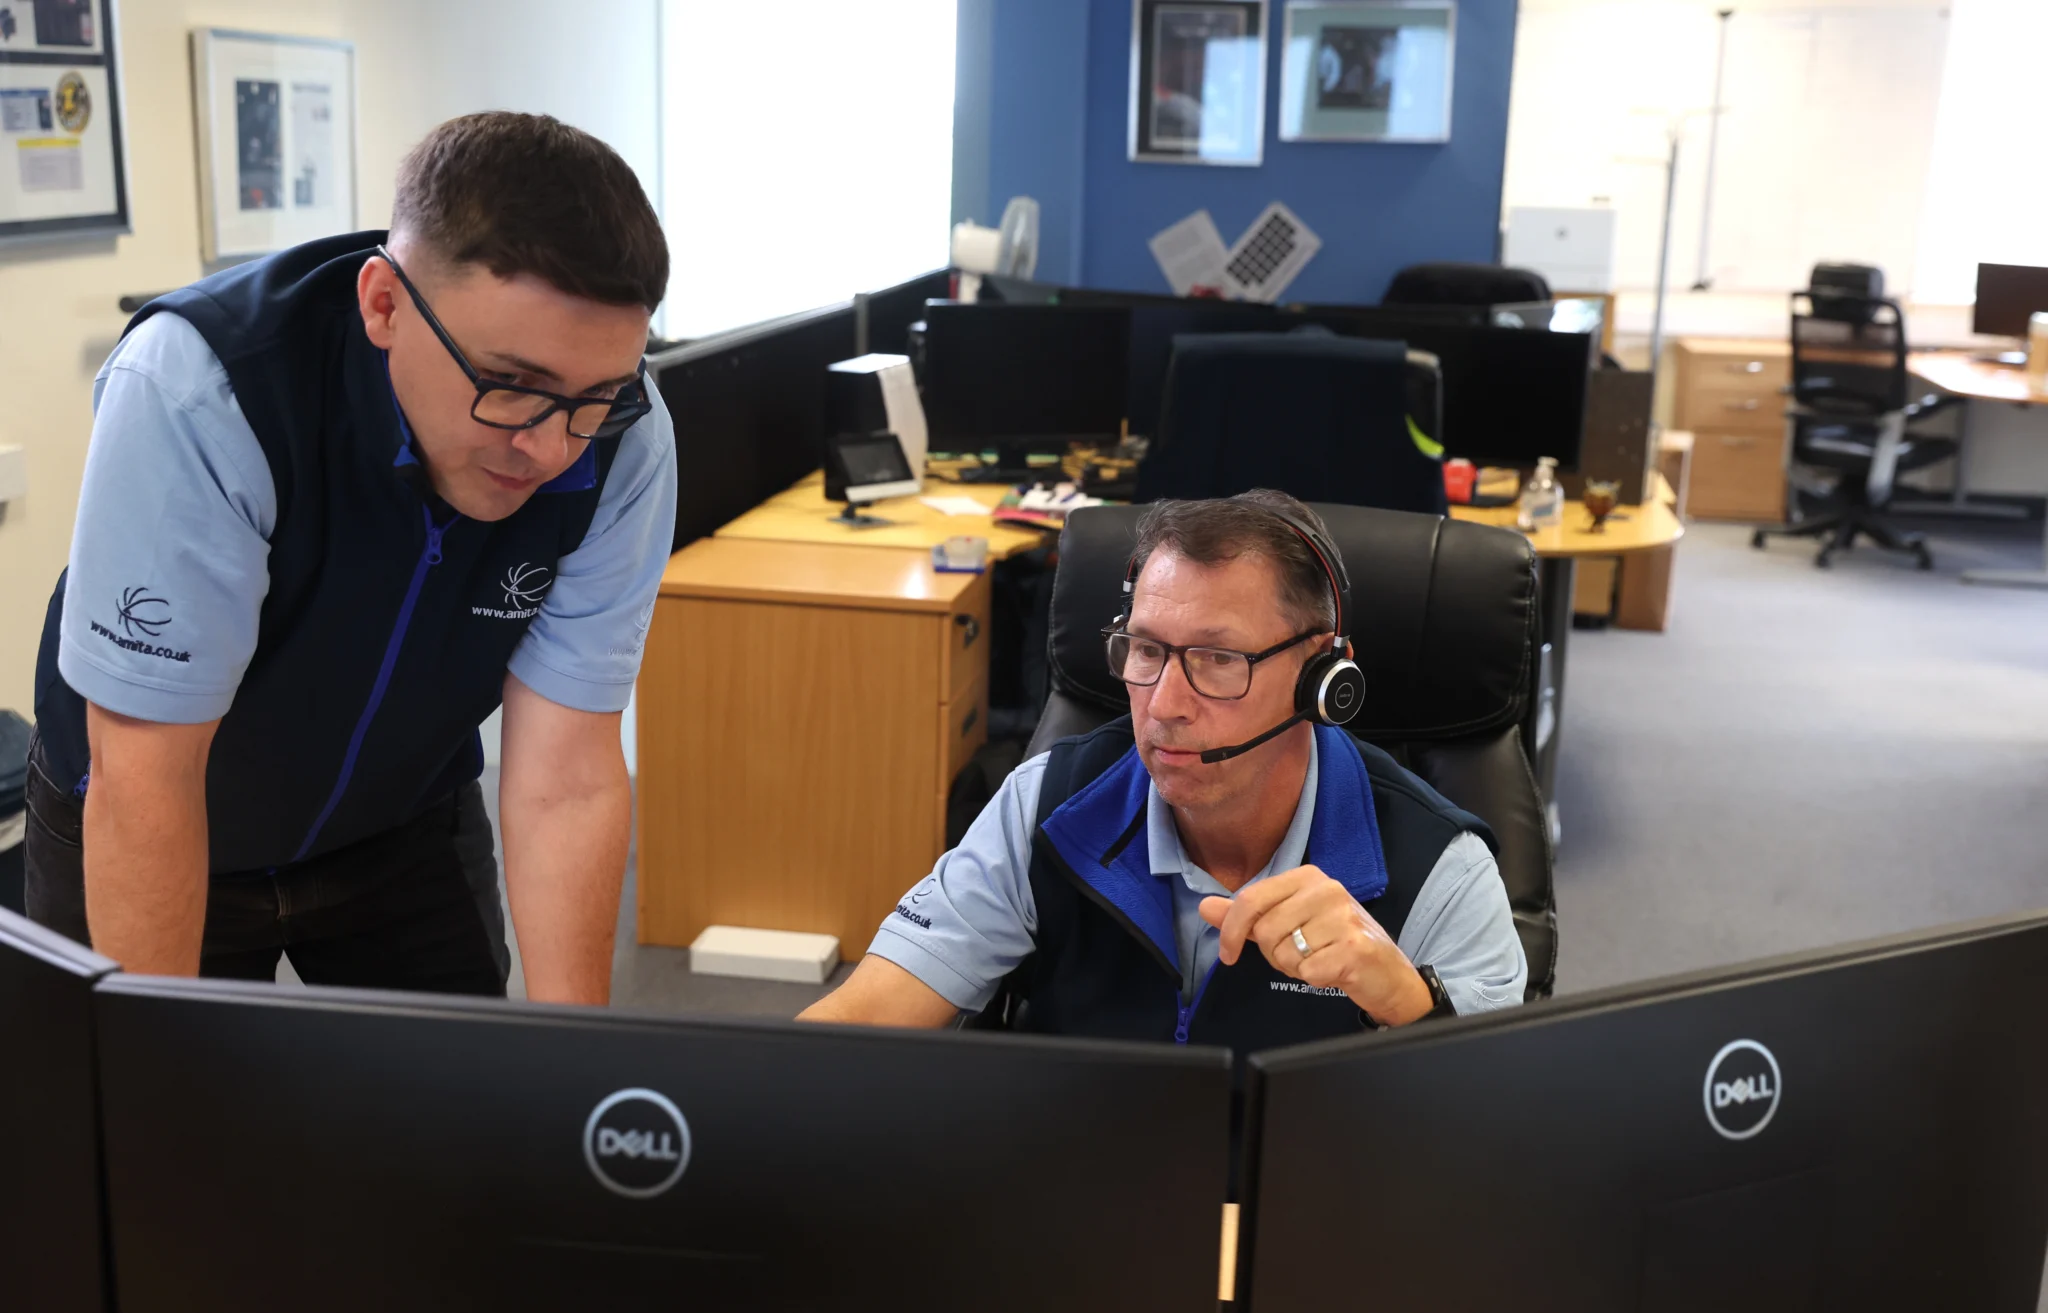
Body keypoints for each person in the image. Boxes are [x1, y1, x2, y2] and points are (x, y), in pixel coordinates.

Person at [23, 113, 676, 1003]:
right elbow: (147, 779)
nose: (554, 447)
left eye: (594, 395)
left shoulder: (624, 436)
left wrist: (583, 1086)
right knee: (136, 1130)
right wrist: (155, 1090)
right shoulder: (205, 389)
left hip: (401, 824)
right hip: (161, 812)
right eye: (512, 386)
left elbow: (565, 776)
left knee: (463, 1124)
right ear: (384, 305)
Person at [801, 491, 1524, 1046]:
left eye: (1217, 659)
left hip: (1307, 1229)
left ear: (1322, 677)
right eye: (1146, 650)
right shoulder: (1049, 806)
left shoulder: (1441, 873)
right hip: (1068, 1210)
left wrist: (1411, 1004)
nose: (1165, 705)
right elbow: (866, 1017)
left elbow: (1499, 1149)